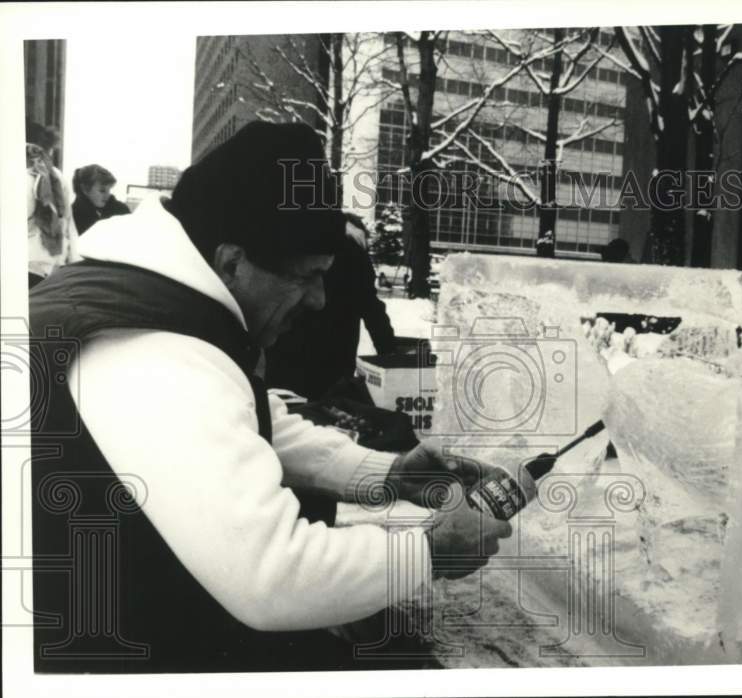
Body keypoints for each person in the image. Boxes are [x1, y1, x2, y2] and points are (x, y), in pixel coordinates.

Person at [29, 122, 511, 674]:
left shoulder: (154, 296)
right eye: (306, 276)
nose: (320, 300)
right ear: (233, 261)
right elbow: (271, 574)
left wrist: (387, 473)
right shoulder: (151, 354)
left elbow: (248, 418)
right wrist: (431, 553)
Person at [266, 212, 396, 401]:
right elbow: (372, 308)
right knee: (328, 412)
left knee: (285, 411)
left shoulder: (298, 244)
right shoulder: (355, 253)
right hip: (335, 353)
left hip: (288, 347)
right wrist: (388, 350)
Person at [26, 123, 79, 287]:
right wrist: (73, 261)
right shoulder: (57, 175)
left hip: (28, 263)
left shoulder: (23, 177)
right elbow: (68, 224)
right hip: (53, 264)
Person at [71, 163, 131, 234]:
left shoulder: (121, 210)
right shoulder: (72, 217)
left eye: (109, 190)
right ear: (85, 189)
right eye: (102, 191)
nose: (107, 195)